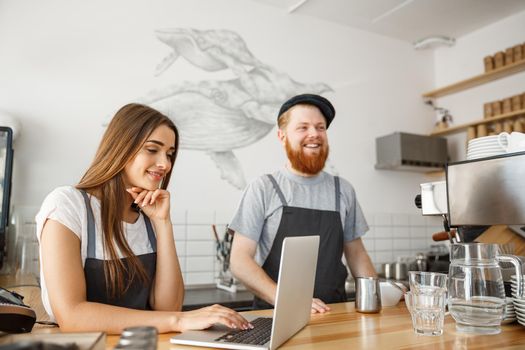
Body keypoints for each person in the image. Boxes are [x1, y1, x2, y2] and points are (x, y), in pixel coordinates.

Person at [36, 103, 251, 334]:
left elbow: (169, 307)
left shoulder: (148, 216)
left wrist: (163, 224)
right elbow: (72, 316)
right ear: (121, 147)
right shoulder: (67, 205)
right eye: (152, 149)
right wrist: (178, 321)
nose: (165, 164)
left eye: (169, 154)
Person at [229, 94, 376, 313]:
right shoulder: (264, 188)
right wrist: (288, 300)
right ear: (282, 136)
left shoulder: (342, 190)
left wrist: (377, 294)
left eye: (320, 127)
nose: (314, 134)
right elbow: (239, 261)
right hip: (275, 315)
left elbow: (356, 253)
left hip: (333, 315)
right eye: (303, 127)